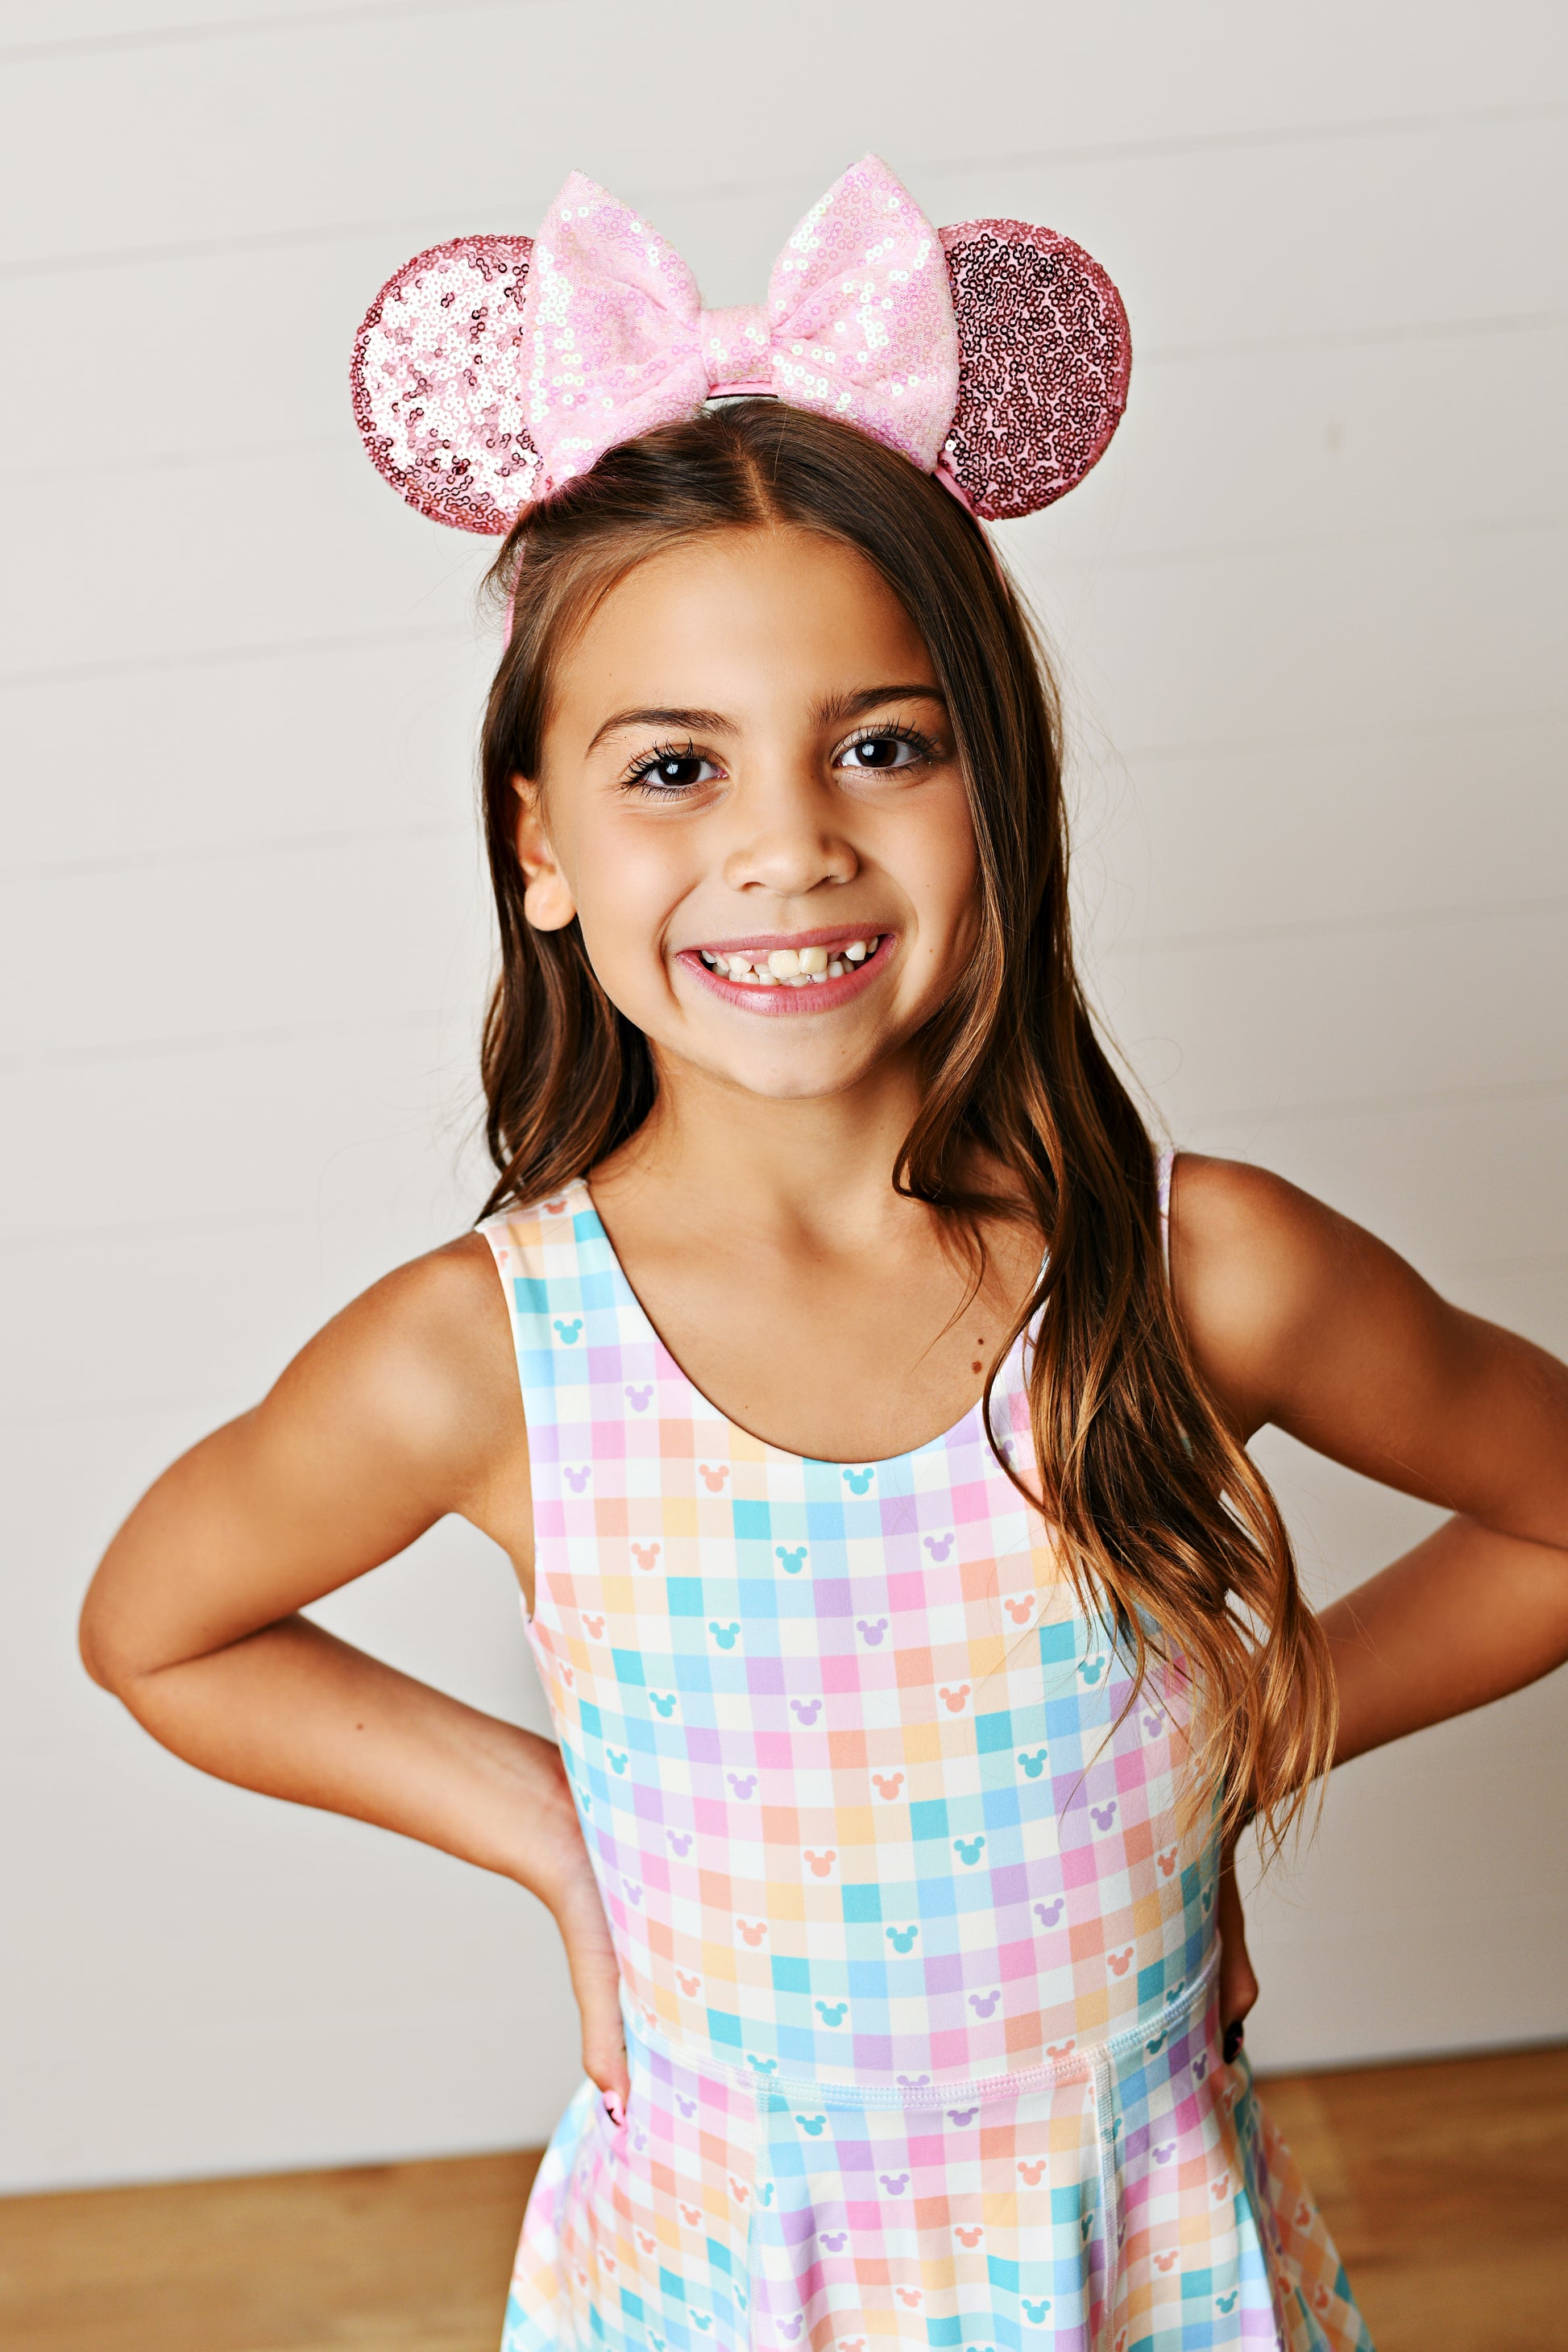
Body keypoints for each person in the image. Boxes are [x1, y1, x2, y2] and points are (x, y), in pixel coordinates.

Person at [79, 160, 1568, 2352]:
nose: (786, 844)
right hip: (715, 2288)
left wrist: (1241, 1738)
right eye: (674, 767)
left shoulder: (1199, 1272)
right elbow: (157, 1628)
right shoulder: (486, 1353)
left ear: (1001, 789)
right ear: (541, 846)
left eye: (882, 746)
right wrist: (551, 1830)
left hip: (1137, 2278)